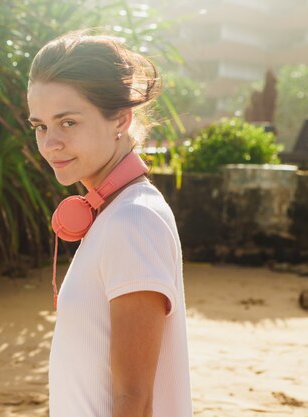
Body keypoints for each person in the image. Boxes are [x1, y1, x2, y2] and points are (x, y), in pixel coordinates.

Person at [26, 30, 193, 417]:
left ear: (120, 117)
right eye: (40, 126)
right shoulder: (117, 213)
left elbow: (133, 399)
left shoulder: (133, 221)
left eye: (67, 122)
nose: (50, 143)